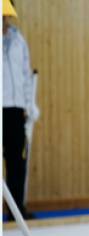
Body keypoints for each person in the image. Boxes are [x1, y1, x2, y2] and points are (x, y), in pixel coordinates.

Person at [3, 0, 37, 220]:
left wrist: (29, 104)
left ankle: (16, 211)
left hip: (16, 110)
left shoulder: (18, 40)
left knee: (17, 161)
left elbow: (25, 75)